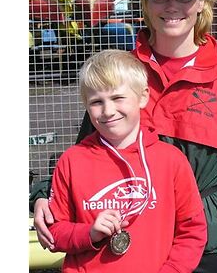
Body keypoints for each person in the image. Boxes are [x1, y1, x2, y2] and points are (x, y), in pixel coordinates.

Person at [30, 0, 217, 272]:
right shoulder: (116, 76)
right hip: (132, 245)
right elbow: (88, 152)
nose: (172, 5)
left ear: (201, 3)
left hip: (209, 244)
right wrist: (45, 193)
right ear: (145, 1)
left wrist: (205, 204)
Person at [46, 49, 207, 273]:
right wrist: (89, 233)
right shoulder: (71, 160)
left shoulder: (171, 160)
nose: (108, 111)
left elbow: (193, 230)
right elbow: (55, 231)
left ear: (142, 97)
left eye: (118, 98)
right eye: (96, 102)